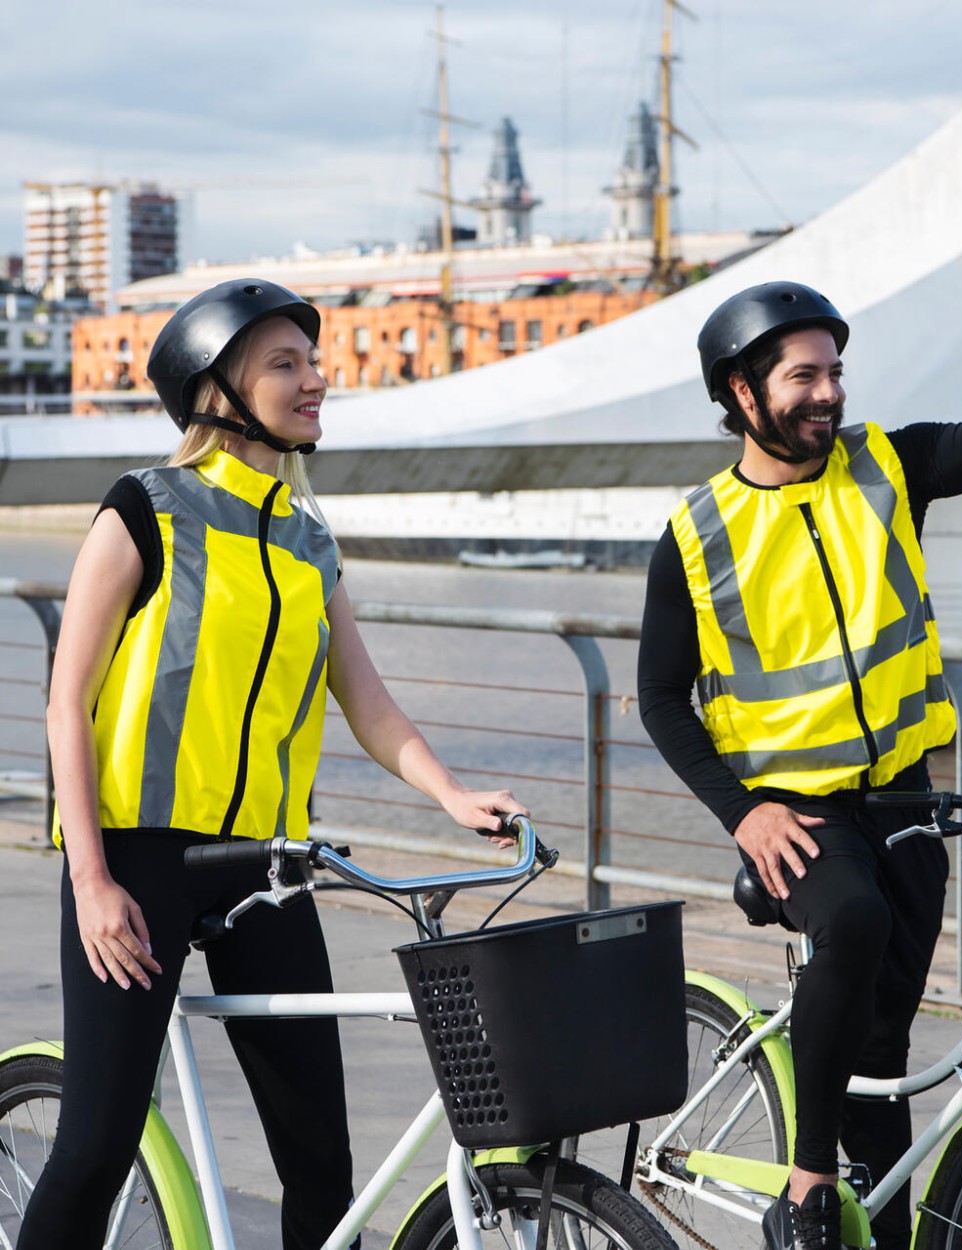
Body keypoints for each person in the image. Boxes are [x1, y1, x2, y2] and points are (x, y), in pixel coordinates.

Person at [19, 278, 528, 1250]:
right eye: (284, 364)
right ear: (219, 389)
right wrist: (90, 876)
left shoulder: (309, 539)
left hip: (269, 862)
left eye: (313, 359)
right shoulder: (145, 509)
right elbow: (66, 698)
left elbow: (367, 701)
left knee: (320, 1167)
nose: (314, 379)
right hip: (138, 859)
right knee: (94, 1144)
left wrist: (451, 791)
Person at [637, 280, 962, 1250]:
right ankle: (802, 1186)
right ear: (743, 392)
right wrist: (740, 813)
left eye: (834, 371)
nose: (827, 392)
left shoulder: (889, 464)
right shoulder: (695, 534)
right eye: (803, 374)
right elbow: (659, 696)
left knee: (884, 1044)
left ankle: (881, 1229)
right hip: (795, 811)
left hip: (903, 797)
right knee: (852, 917)